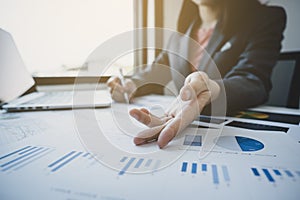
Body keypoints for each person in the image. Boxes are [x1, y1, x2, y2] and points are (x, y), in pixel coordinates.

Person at [107, 0, 287, 148]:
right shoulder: (180, 35)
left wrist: (213, 89)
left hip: (235, 132)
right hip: (189, 130)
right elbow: (158, 70)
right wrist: (131, 84)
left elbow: (253, 79)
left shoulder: (264, 18)